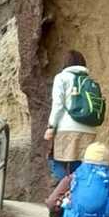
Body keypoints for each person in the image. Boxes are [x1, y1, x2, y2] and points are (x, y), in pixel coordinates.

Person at [44, 50, 104, 180]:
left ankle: (67, 188)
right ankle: (77, 189)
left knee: (56, 162)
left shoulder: (61, 78)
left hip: (67, 130)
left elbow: (58, 104)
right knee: (79, 164)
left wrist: (51, 126)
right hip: (89, 130)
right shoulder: (89, 81)